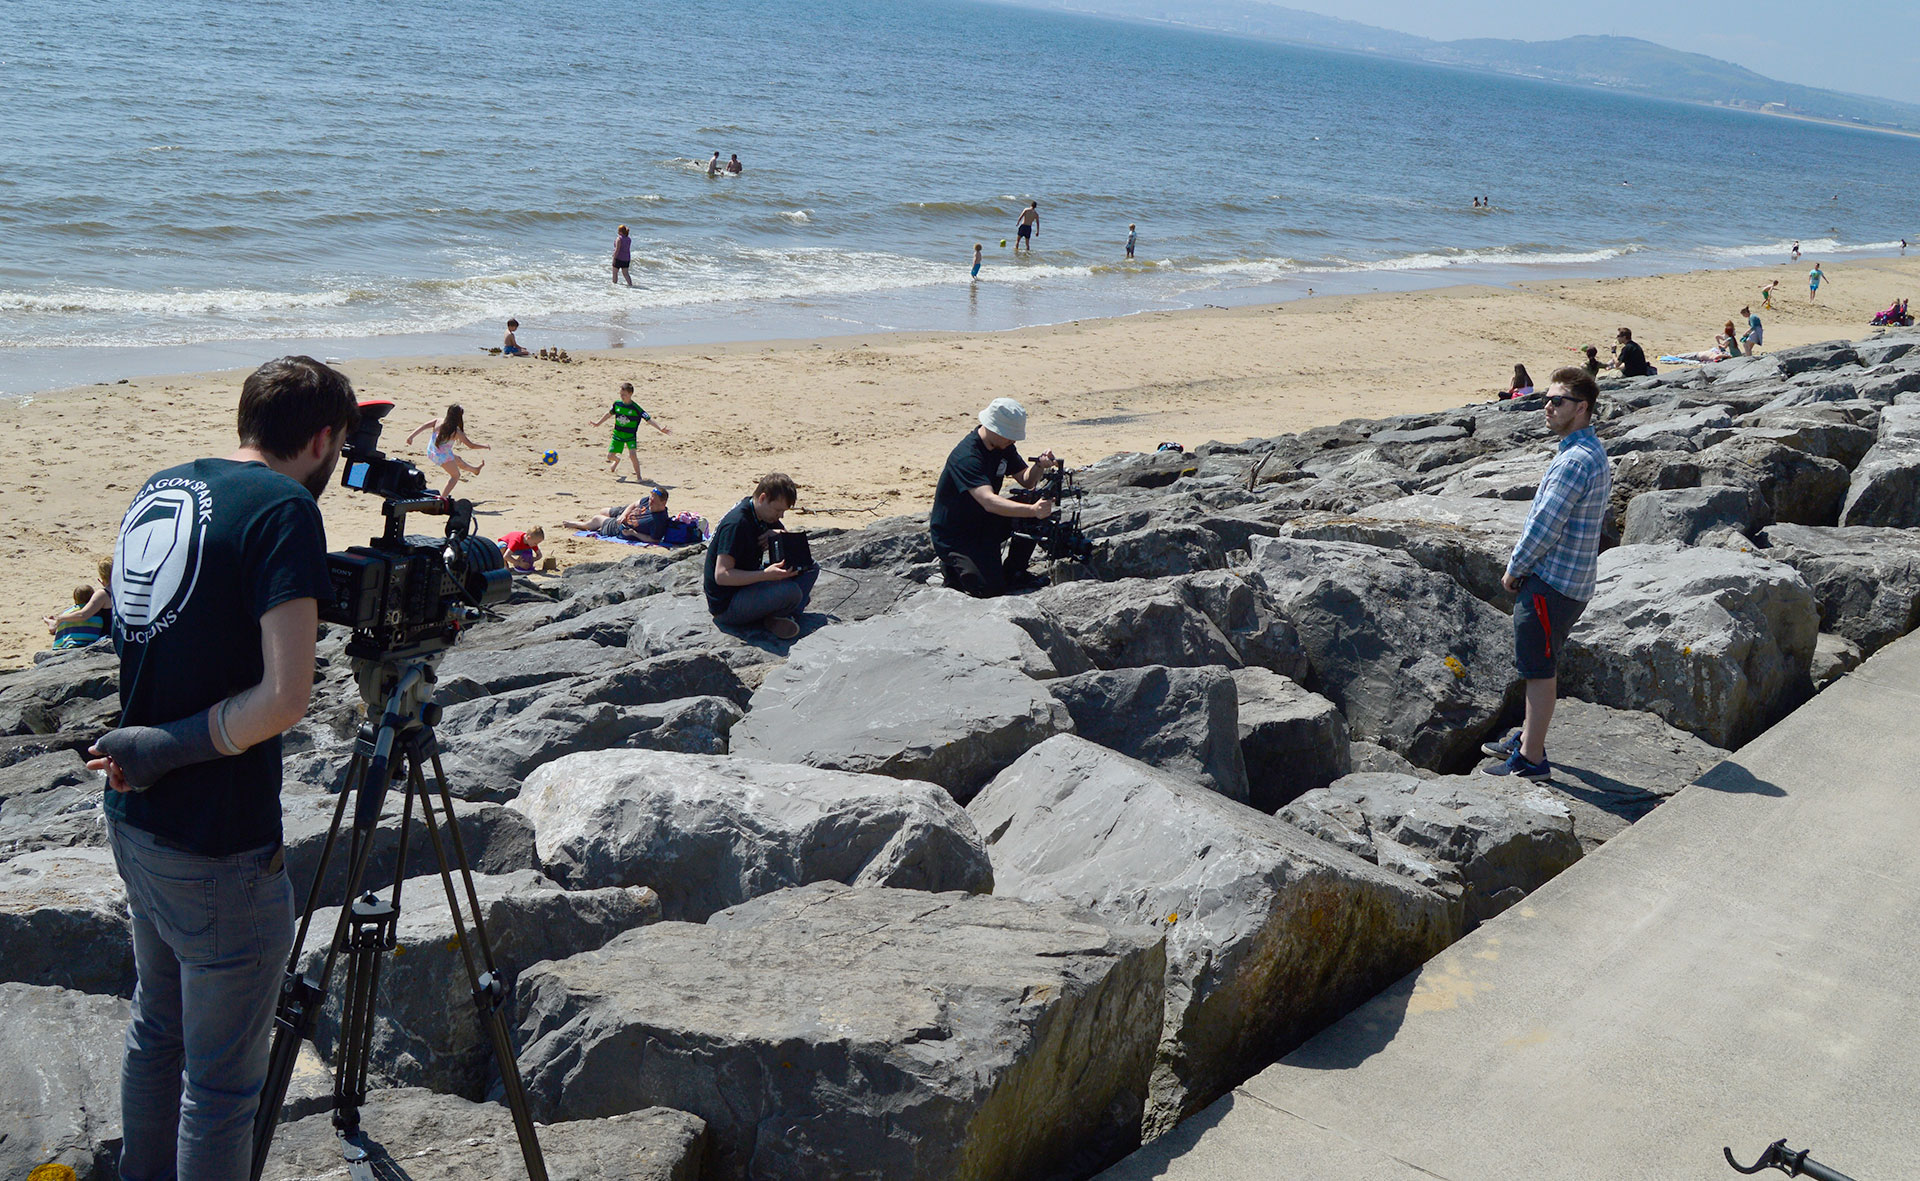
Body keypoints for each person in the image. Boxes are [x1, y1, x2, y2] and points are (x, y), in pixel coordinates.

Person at [87, 355, 356, 1180]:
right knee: (221, 1086)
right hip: (219, 844)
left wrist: (156, 745)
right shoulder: (282, 509)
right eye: (339, 448)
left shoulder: (160, 486)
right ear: (319, 441)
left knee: (156, 1029)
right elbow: (283, 698)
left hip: (136, 817)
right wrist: (176, 743)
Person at [1483, 366, 1611, 779]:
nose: (1547, 408)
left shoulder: (1574, 460)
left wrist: (1515, 568)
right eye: (1547, 399)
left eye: (1558, 401)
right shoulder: (1589, 451)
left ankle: (1532, 758)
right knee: (1541, 662)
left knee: (1538, 670)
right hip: (1571, 581)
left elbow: (1545, 525)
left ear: (1582, 408)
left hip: (1552, 582)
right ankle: (1526, 738)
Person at [928, 397, 1059, 597]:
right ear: (993, 429)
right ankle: (952, 567)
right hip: (956, 534)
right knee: (988, 589)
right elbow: (988, 501)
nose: (1012, 441)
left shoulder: (1003, 446)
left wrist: (1040, 466)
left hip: (984, 521)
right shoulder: (967, 456)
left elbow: (1026, 480)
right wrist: (1032, 511)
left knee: (1031, 507)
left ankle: (1016, 571)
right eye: (1008, 436)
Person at [704, 473, 816, 639]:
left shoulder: (760, 512)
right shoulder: (737, 524)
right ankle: (779, 614)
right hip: (727, 605)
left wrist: (779, 533)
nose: (780, 516)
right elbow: (722, 576)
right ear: (763, 498)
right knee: (792, 592)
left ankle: (777, 614)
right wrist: (766, 575)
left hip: (749, 584)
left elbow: (785, 540)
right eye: (778, 510)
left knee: (810, 567)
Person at [592, 380, 670, 482]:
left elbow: (648, 419)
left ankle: (639, 477)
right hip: (618, 434)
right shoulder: (617, 404)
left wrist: (660, 428)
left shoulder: (635, 408)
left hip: (630, 436)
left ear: (630, 394)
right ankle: (617, 461)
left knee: (632, 455)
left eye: (624, 394)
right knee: (610, 456)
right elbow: (608, 414)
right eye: (621, 394)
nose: (622, 396)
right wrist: (598, 423)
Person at [406, 404, 488, 497]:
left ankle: (475, 470)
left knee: (458, 460)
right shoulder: (457, 432)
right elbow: (471, 445)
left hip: (432, 452)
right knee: (455, 476)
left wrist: (411, 437)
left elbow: (424, 426)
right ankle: (443, 498)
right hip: (442, 457)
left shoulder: (438, 421)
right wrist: (484, 446)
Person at [44, 557, 114, 648]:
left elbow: (83, 615)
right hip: (123, 632)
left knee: (73, 616)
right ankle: (53, 624)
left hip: (106, 635)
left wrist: (60, 618)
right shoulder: (125, 590)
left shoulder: (103, 594)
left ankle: (54, 624)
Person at [563, 486, 670, 543]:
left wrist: (633, 534)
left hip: (622, 528)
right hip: (625, 514)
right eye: (650, 499)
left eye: (653, 501)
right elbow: (634, 504)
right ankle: (608, 519)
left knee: (597, 519)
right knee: (603, 511)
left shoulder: (659, 521)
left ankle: (579, 525)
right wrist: (624, 515)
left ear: (663, 503)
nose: (650, 502)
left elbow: (654, 540)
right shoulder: (649, 500)